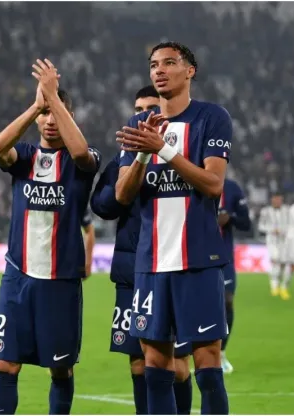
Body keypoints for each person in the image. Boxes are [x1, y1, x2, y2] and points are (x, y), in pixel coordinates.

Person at [114, 41, 232, 415]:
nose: (159, 70)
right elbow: (122, 194)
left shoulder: (212, 118)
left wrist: (162, 149)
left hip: (197, 258)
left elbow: (213, 184)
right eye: (153, 65)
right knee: (156, 365)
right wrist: (144, 154)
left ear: (190, 70)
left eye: (169, 63)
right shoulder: (137, 126)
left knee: (207, 363)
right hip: (150, 263)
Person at [0, 59, 101, 415]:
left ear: (69, 116)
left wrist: (53, 97)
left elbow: (81, 153)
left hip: (61, 280)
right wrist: (38, 103)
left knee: (59, 367)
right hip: (18, 275)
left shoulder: (83, 160)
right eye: (46, 115)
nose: (50, 120)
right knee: (6, 364)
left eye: (58, 113)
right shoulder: (25, 157)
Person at [91, 85, 193, 415]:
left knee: (176, 363)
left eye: (151, 108)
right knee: (137, 362)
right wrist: (131, 178)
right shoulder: (122, 160)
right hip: (131, 272)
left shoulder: (183, 154)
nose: (143, 116)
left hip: (173, 268)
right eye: (138, 109)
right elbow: (103, 205)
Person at [217, 178, 251, 374]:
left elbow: (246, 224)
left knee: (227, 301)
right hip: (195, 254)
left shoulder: (231, 188)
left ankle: (221, 352)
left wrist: (230, 218)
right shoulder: (190, 180)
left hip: (224, 257)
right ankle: (187, 352)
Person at [257, 192, 288, 296]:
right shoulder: (265, 211)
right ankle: (274, 285)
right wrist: (271, 230)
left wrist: (285, 231)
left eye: (279, 200)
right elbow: (261, 226)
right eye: (276, 200)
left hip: (284, 240)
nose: (278, 202)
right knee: (275, 259)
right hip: (271, 240)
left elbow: (291, 224)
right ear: (272, 200)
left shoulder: (286, 210)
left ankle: (279, 282)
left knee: (283, 262)